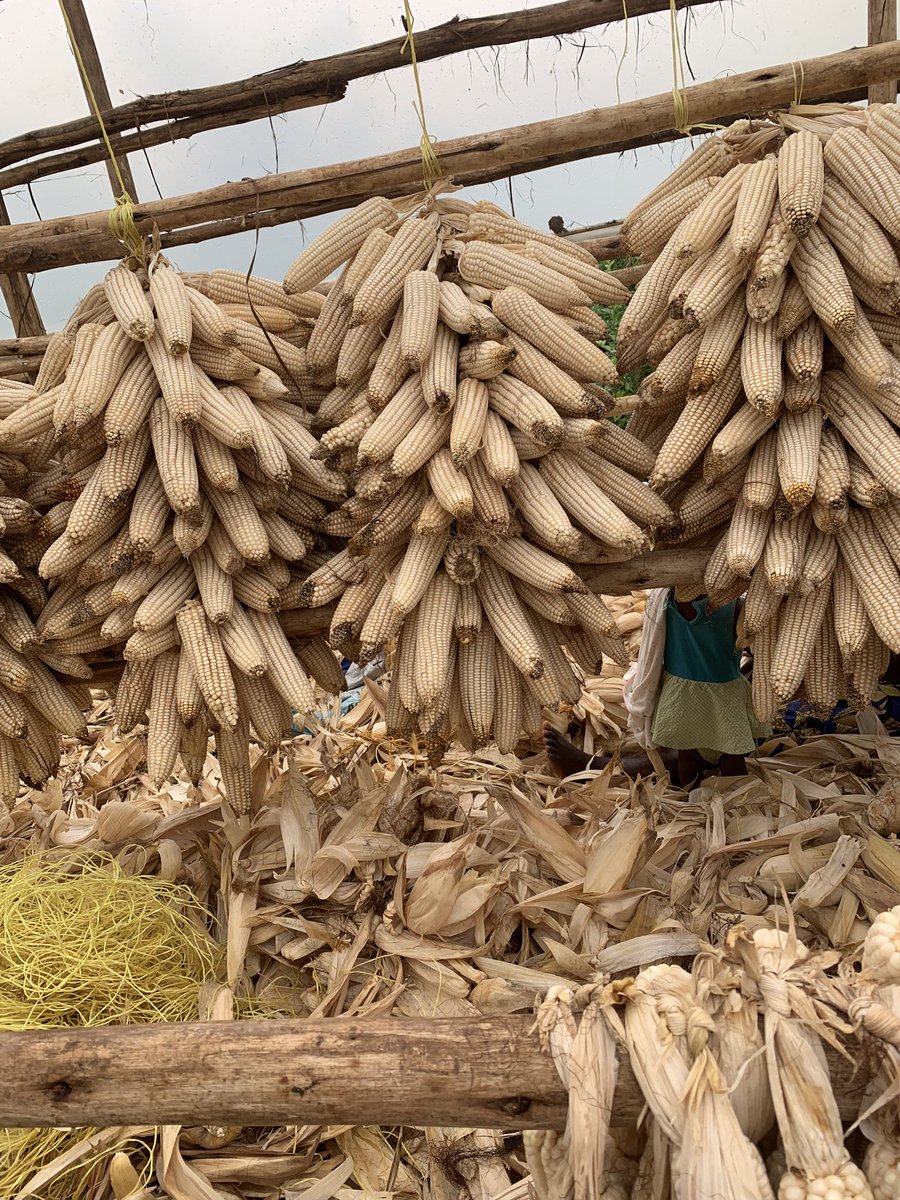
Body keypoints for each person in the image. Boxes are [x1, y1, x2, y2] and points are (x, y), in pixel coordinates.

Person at [544, 588, 767, 787]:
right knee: (721, 750)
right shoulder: (699, 602)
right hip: (719, 693)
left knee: (694, 750)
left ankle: (697, 794)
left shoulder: (674, 601)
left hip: (688, 695)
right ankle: (722, 798)